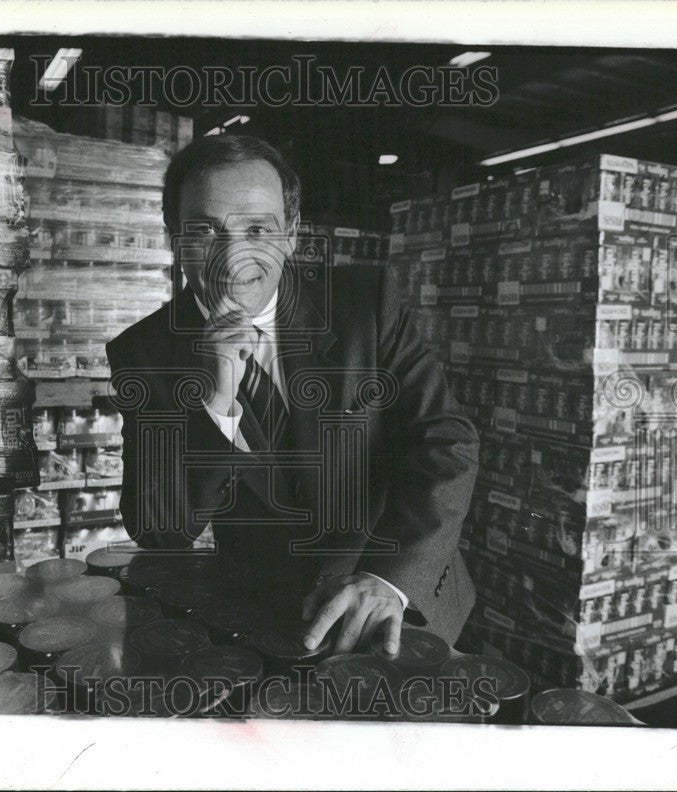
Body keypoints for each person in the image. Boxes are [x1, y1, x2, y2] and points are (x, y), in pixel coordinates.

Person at [107, 134, 479, 653]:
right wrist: (216, 402)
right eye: (205, 231)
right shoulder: (144, 353)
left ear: (290, 235)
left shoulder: (364, 305)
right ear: (174, 235)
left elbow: (445, 442)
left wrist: (390, 582)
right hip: (264, 617)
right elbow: (158, 529)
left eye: (257, 228)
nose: (233, 258)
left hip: (396, 601)